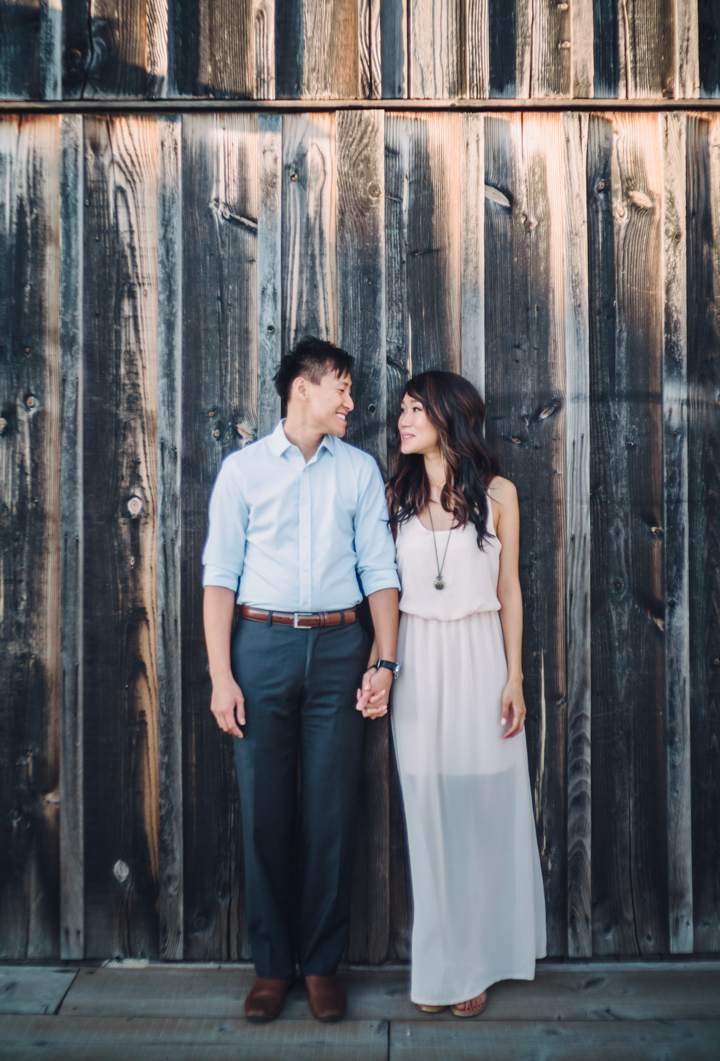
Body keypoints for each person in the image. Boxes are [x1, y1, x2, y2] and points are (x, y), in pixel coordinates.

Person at [202, 336, 400, 1025]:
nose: (351, 400)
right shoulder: (242, 472)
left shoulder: (358, 471)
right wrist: (221, 675)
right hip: (259, 648)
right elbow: (218, 578)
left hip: (342, 649)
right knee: (263, 812)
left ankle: (320, 965)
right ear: (301, 391)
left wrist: (384, 659)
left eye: (349, 389)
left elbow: (380, 570)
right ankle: (269, 967)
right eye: (339, 387)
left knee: (331, 811)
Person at [359, 369, 546, 1016]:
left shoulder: (499, 494)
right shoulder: (393, 496)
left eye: (414, 410)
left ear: (447, 417)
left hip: (478, 656)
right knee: (428, 812)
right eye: (401, 411)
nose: (402, 421)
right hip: (416, 658)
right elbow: (381, 594)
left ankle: (476, 961)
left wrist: (513, 676)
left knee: (478, 811)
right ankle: (440, 963)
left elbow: (509, 590)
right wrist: (377, 668)